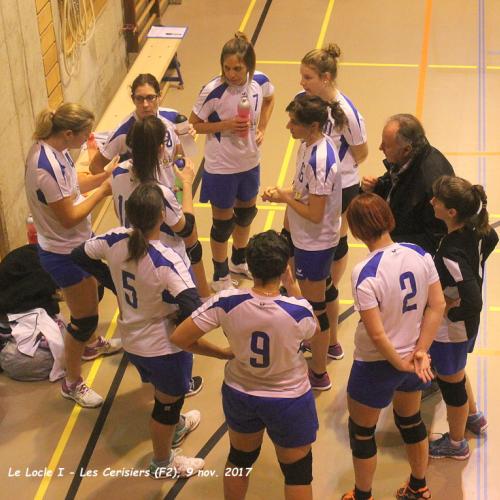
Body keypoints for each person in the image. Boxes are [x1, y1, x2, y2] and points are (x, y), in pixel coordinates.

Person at [71, 183, 218, 478]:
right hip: (163, 348)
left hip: (131, 341)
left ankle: (176, 426)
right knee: (167, 404)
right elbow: (194, 308)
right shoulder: (166, 259)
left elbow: (79, 254)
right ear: (162, 215)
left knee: (162, 392)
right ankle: (162, 462)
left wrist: (112, 282)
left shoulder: (114, 239)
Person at [171, 230, 319, 500]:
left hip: (240, 393)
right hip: (289, 399)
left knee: (240, 458)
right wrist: (293, 287)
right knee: (297, 472)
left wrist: (221, 354)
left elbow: (180, 337)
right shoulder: (299, 311)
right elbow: (313, 332)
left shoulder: (227, 301)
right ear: (284, 268)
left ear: (250, 265)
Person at [342, 193, 445, 500]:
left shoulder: (365, 272)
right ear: (389, 218)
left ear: (357, 231)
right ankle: (418, 486)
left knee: (362, 433)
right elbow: (437, 305)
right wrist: (420, 352)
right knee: (411, 421)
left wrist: (399, 363)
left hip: (376, 364)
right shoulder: (420, 254)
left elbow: (376, 334)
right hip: (415, 359)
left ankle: (363, 495)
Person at [24, 103, 122, 408]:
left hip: (77, 243)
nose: (88, 138)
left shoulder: (58, 150)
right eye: (85, 133)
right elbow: (68, 217)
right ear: (68, 133)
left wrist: (104, 176)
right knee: (84, 319)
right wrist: (103, 191)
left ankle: (91, 345)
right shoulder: (45, 168)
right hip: (63, 252)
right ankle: (72, 382)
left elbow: (73, 185)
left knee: (94, 293)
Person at [263, 94, 342, 391]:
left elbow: (315, 213)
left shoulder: (319, 160)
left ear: (313, 126)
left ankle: (319, 374)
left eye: (294, 122)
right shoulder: (308, 144)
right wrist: (284, 193)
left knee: (314, 308)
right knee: (325, 292)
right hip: (306, 238)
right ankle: (331, 345)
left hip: (315, 243)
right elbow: (304, 192)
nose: (288, 127)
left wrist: (284, 198)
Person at [190, 31, 275, 291]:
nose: (231, 74)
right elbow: (193, 125)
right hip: (221, 167)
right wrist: (225, 125)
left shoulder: (260, 81)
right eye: (227, 68)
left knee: (246, 215)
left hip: (250, 162)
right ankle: (220, 274)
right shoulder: (213, 91)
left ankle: (239, 260)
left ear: (248, 65)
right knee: (222, 224)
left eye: (237, 68)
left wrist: (262, 127)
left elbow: (270, 99)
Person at [299, 43, 368, 359]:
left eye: (308, 77)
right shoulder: (310, 103)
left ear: (326, 78)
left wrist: (335, 169)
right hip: (316, 184)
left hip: (342, 188)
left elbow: (361, 152)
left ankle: (328, 300)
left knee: (334, 246)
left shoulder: (347, 112)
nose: (302, 82)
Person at [428, 176, 498, 459]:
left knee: (451, 384)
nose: (432, 202)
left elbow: (474, 302)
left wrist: (450, 311)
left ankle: (456, 444)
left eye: (437, 200)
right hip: (464, 327)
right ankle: (474, 416)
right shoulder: (476, 230)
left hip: (452, 330)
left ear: (451, 212)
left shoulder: (451, 251)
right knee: (456, 371)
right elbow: (493, 239)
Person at [112, 114, 211, 304]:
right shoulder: (158, 192)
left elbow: (119, 209)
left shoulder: (117, 172)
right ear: (161, 148)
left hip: (131, 256)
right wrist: (187, 183)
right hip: (164, 263)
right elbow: (186, 229)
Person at [362, 114, 454, 254]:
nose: (380, 148)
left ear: (406, 149)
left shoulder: (430, 184)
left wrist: (389, 243)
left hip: (409, 255)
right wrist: (375, 187)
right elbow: (398, 185)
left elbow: (434, 239)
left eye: (386, 145)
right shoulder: (409, 158)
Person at [89, 73, 181, 188]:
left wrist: (187, 139)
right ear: (133, 99)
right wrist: (117, 187)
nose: (145, 104)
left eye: (150, 97)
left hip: (168, 193)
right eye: (139, 99)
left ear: (159, 96)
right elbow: (95, 167)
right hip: (139, 197)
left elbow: (178, 153)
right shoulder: (123, 132)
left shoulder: (172, 117)